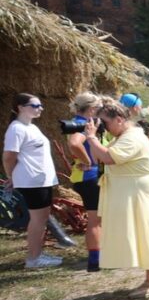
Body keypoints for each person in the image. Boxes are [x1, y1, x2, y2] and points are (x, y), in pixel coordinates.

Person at [83, 99, 149, 298]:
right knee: (143, 232)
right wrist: (93, 139)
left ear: (119, 119)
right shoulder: (124, 136)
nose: (104, 127)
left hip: (138, 193)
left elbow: (109, 158)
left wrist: (91, 137)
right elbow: (101, 157)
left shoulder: (132, 137)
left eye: (105, 123)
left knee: (147, 233)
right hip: (132, 191)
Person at [3, 93, 62, 268]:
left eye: (41, 105)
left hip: (41, 180)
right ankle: (33, 259)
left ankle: (37, 253)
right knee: (37, 219)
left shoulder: (32, 127)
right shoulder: (16, 129)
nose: (40, 108)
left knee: (41, 218)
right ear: (21, 108)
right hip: (31, 180)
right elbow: (9, 157)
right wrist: (11, 176)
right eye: (35, 105)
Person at [66, 93, 103, 271]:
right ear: (92, 109)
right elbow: (74, 143)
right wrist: (88, 161)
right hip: (89, 177)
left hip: (82, 177)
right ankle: (95, 260)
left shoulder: (76, 121)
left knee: (95, 219)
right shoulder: (83, 123)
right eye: (98, 108)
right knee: (95, 220)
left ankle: (97, 258)